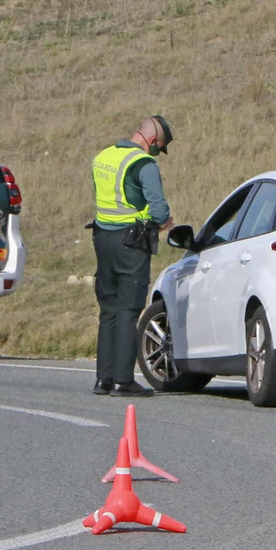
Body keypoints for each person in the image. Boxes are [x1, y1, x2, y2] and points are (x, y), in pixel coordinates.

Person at [91, 116, 175, 397]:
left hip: (102, 240)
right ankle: (123, 380)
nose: (157, 153)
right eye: (159, 148)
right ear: (153, 142)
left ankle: (103, 379)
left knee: (109, 312)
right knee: (129, 312)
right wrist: (162, 221)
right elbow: (159, 211)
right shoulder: (144, 164)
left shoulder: (104, 156)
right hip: (131, 244)